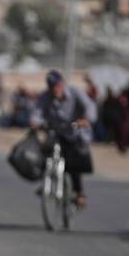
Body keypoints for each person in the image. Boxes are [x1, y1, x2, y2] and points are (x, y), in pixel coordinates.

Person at [30, 70, 97, 208]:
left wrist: (86, 119)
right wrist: (35, 122)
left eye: (57, 86)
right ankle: (46, 182)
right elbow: (37, 111)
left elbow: (90, 106)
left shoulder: (74, 92)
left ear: (62, 84)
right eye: (52, 86)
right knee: (45, 152)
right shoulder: (46, 96)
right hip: (56, 133)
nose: (55, 89)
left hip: (74, 133)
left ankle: (79, 193)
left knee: (74, 165)